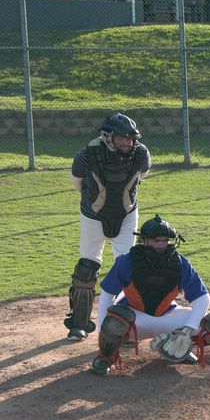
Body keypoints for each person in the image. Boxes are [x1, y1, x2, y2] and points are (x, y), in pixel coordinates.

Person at [90, 214, 210, 376]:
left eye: (165, 240)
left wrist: (187, 331)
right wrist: (102, 330)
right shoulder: (127, 261)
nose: (162, 245)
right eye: (156, 240)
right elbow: (108, 293)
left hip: (167, 317)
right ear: (145, 240)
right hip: (134, 321)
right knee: (114, 320)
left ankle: (178, 348)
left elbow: (203, 298)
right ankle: (106, 356)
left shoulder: (180, 263)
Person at [64, 113, 152, 341]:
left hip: (126, 215)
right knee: (87, 265)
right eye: (121, 138)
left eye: (130, 138)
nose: (127, 142)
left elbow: (141, 176)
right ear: (108, 137)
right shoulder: (87, 154)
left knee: (126, 265)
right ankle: (79, 323)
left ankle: (123, 324)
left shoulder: (141, 154)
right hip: (92, 215)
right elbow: (77, 180)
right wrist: (97, 201)